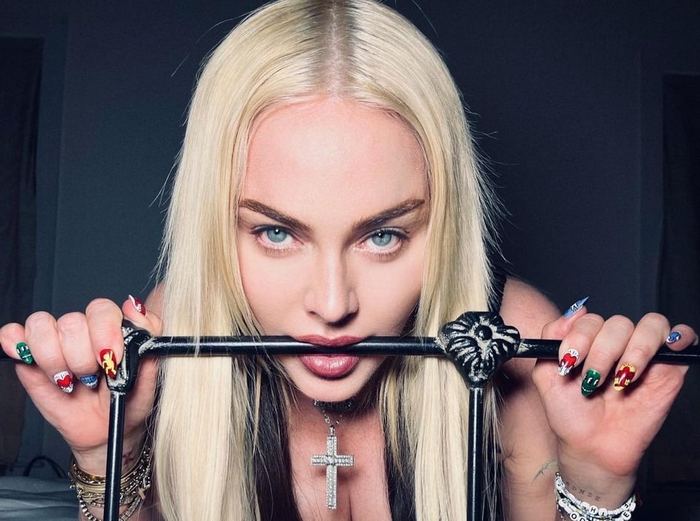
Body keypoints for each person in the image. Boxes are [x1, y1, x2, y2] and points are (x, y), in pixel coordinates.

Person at [0, 0, 696, 520]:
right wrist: (108, 456)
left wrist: (597, 481)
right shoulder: (169, 335)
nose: (333, 305)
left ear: (443, 225)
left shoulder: (513, 342)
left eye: (383, 236)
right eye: (276, 233)